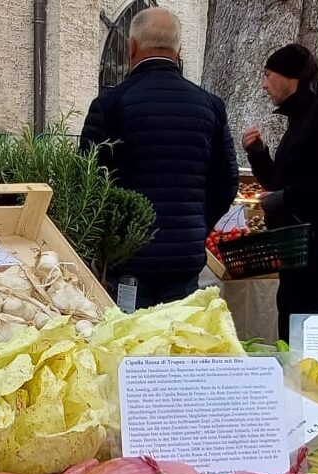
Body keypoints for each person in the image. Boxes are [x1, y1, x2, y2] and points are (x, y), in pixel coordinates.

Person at [81, 8, 238, 308]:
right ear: (179, 50)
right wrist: (196, 224)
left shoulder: (110, 105)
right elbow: (226, 182)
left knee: (128, 346)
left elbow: (88, 184)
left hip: (128, 260)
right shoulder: (210, 106)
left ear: (132, 48)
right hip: (185, 258)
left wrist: (108, 242)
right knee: (179, 344)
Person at [242, 44, 318, 341]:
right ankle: (290, 383)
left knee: (311, 330)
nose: (264, 85)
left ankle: (309, 386)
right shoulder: (301, 116)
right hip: (294, 247)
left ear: (289, 76)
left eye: (268, 75)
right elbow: (280, 183)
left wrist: (286, 198)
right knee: (290, 327)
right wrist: (258, 154)